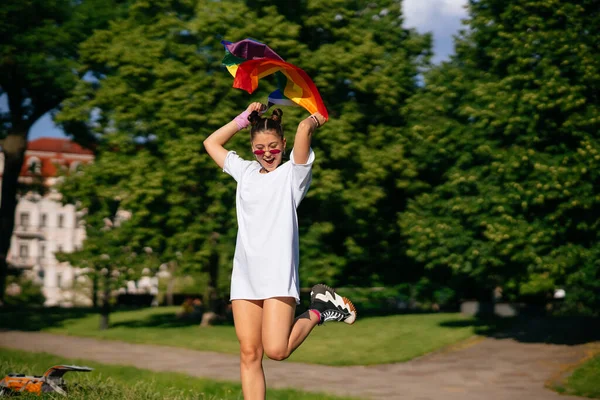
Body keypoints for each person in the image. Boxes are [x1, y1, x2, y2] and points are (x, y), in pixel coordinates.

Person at [203, 102, 357, 400]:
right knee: (249, 354)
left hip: (276, 275)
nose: (268, 152)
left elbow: (303, 128)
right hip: (245, 276)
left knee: (276, 350)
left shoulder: (293, 175)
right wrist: (243, 119)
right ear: (252, 148)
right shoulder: (245, 172)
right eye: (260, 147)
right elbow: (211, 142)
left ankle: (320, 310)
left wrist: (314, 118)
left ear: (283, 144)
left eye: (274, 145)